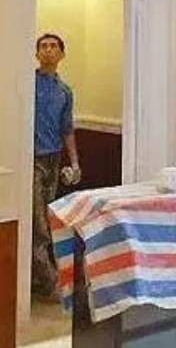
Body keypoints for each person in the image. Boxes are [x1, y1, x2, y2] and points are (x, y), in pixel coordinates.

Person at [32, 33, 81, 300]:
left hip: (54, 159)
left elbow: (67, 129)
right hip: (31, 160)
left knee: (48, 220)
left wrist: (74, 163)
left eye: (53, 46)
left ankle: (37, 279)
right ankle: (51, 283)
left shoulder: (64, 91)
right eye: (43, 46)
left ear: (62, 54)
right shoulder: (29, 84)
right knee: (38, 224)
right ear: (36, 53)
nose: (48, 50)